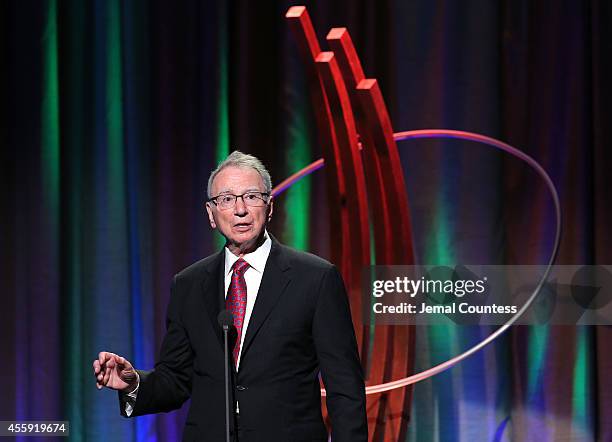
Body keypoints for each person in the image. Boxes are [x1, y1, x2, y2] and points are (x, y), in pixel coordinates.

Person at [92, 151, 367, 441]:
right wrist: (132, 382)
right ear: (211, 214)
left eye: (251, 196)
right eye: (226, 199)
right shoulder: (188, 285)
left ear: (269, 207)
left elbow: (345, 388)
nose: (240, 210)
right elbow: (175, 380)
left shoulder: (316, 279)